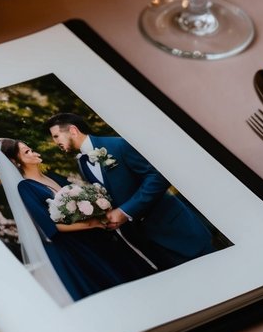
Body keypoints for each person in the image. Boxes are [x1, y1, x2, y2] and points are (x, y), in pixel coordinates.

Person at [0, 138, 155, 303]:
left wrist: (98, 209)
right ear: (15, 161)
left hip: (98, 237)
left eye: (30, 148)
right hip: (79, 246)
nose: (33, 152)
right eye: (26, 152)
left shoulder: (51, 176)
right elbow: (52, 226)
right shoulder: (26, 187)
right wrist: (93, 224)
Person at [46, 113, 215, 269]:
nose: (55, 142)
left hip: (177, 229)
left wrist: (125, 211)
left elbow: (158, 177)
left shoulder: (118, 144)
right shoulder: (82, 163)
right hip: (149, 241)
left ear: (73, 130)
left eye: (56, 136)